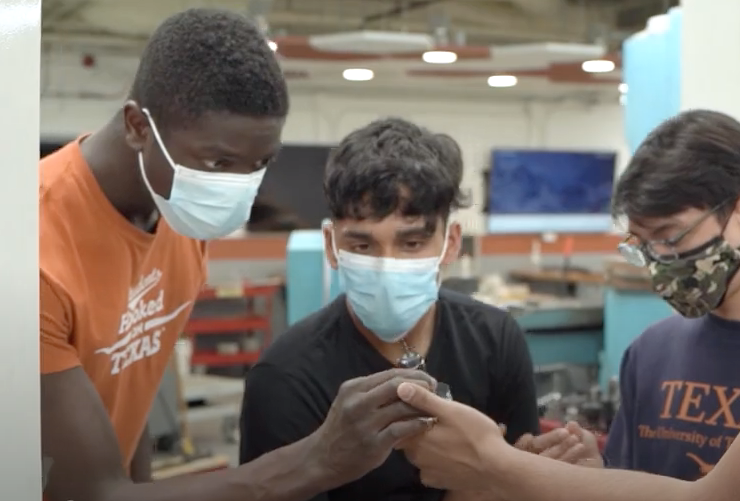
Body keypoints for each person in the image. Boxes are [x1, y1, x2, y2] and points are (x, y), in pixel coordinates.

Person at [40, 9, 435, 501]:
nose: (235, 187)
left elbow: (126, 393)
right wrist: (317, 460)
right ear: (139, 126)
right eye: (218, 162)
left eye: (259, 164)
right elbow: (91, 494)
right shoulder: (32, 250)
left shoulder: (179, 217)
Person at [240, 117, 582, 500]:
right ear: (331, 246)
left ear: (451, 242)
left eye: (412, 243)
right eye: (363, 246)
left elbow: (523, 480)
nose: (387, 267)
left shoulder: (495, 340)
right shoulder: (285, 377)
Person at [571, 110, 740, 478]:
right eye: (643, 245)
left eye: (671, 237)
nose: (659, 264)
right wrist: (592, 476)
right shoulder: (651, 352)